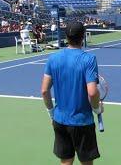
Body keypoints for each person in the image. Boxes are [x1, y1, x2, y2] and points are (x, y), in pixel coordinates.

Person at [41, 21, 103, 165]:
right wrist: (97, 108)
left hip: (59, 120)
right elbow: (93, 93)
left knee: (66, 162)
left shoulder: (53, 58)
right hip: (82, 121)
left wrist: (51, 114)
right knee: (86, 162)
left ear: (66, 37)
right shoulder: (89, 59)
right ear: (83, 37)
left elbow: (44, 90)